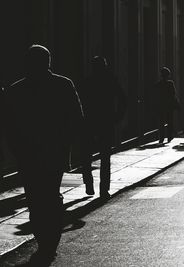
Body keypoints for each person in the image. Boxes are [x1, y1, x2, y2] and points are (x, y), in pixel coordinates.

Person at [3, 45, 84, 265]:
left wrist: (17, 150)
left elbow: (8, 126)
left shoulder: (16, 89)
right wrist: (69, 146)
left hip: (28, 156)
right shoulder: (63, 84)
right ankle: (50, 242)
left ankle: (43, 239)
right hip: (54, 153)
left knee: (35, 199)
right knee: (51, 196)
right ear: (48, 62)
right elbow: (76, 119)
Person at [80, 56, 127, 198]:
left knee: (86, 155)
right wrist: (117, 117)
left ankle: (88, 182)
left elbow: (80, 102)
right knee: (105, 157)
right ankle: (104, 189)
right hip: (106, 122)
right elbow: (123, 99)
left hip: (90, 122)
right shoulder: (111, 81)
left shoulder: (87, 82)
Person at [154, 67, 179, 144]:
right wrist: (176, 103)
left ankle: (161, 138)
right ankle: (169, 136)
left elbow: (156, 96)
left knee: (161, 122)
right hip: (169, 105)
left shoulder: (158, 84)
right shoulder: (170, 83)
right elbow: (173, 94)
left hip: (161, 105)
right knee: (169, 121)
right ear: (168, 75)